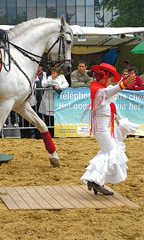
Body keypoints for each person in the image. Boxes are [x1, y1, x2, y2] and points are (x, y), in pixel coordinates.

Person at [80, 63, 138, 195]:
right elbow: (109, 91)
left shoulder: (100, 89)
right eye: (111, 80)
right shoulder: (98, 89)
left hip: (105, 129)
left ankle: (96, 181)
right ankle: (95, 181)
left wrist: (116, 117)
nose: (112, 83)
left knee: (107, 154)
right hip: (102, 130)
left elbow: (110, 97)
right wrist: (123, 84)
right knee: (112, 153)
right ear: (104, 77)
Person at [39, 66, 69, 137]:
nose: (54, 71)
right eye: (52, 69)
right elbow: (43, 84)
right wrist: (51, 78)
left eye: (55, 69)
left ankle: (56, 134)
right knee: (47, 117)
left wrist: (59, 87)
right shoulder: (47, 76)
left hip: (57, 98)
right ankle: (49, 134)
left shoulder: (61, 77)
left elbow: (66, 84)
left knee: (56, 116)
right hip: (48, 98)